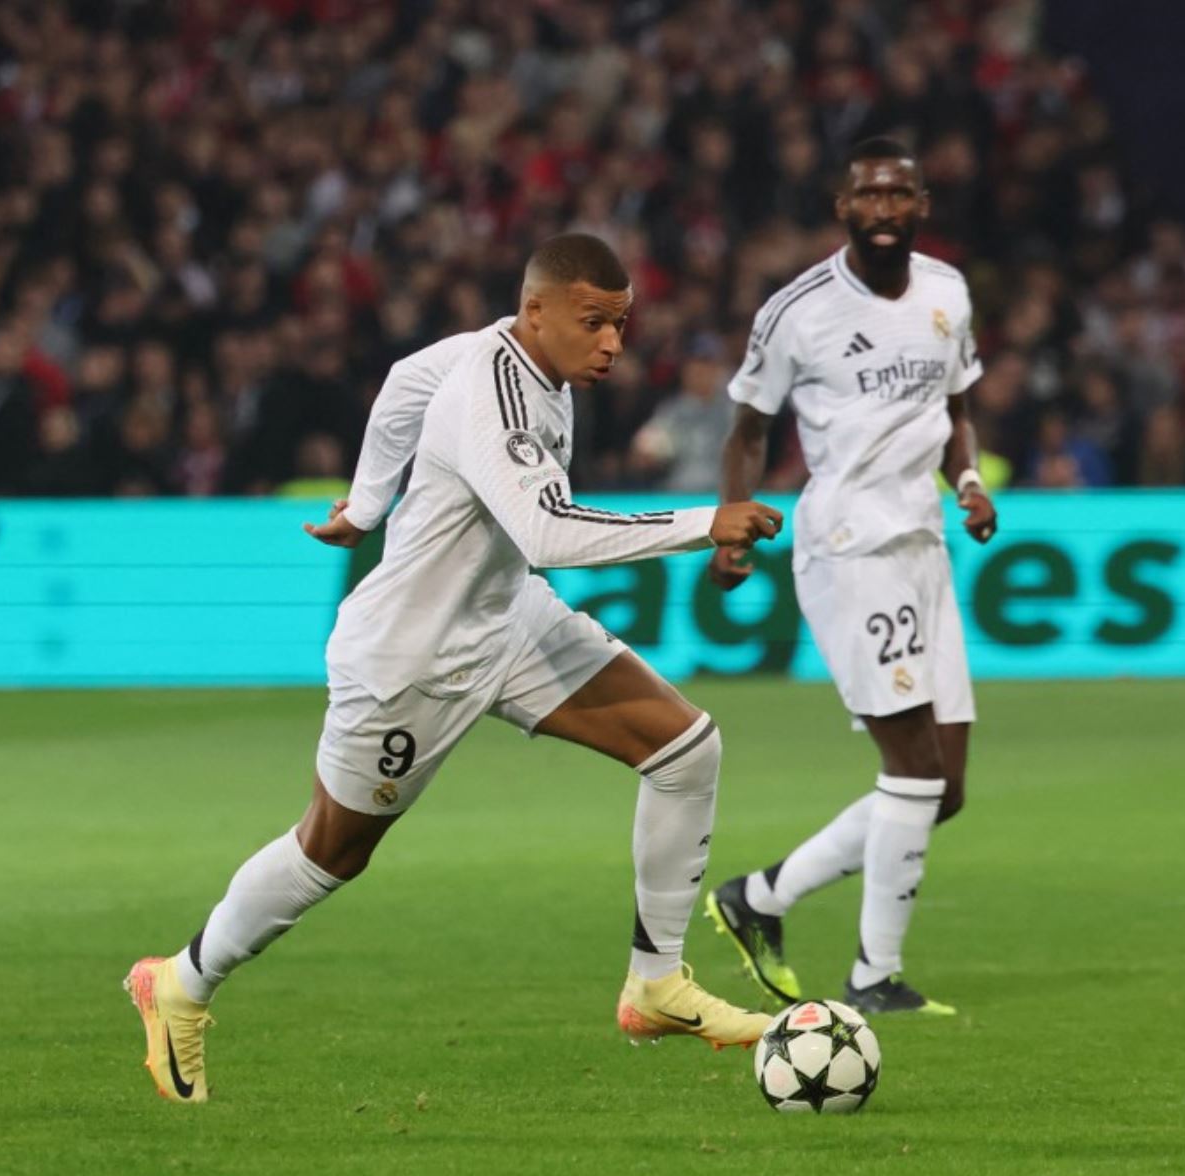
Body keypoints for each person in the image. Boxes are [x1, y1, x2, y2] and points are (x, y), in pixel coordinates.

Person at [124, 233, 785, 1103]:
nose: (613, 345)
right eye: (595, 323)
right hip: (414, 660)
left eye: (621, 324)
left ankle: (656, 985)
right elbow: (549, 531)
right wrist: (707, 520)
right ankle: (180, 980)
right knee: (332, 850)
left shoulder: (503, 354)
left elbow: (402, 381)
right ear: (536, 310)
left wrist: (365, 505)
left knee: (685, 748)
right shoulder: (495, 392)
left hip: (506, 619)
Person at [703, 138, 998, 1017]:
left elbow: (958, 411)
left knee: (942, 790)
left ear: (920, 203)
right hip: (850, 548)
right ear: (843, 208)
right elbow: (748, 426)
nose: (883, 209)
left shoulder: (947, 293)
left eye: (898, 194)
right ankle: (874, 975)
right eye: (867, 195)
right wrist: (731, 526)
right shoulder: (798, 311)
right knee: (909, 768)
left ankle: (760, 899)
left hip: (924, 547)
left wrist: (971, 482)